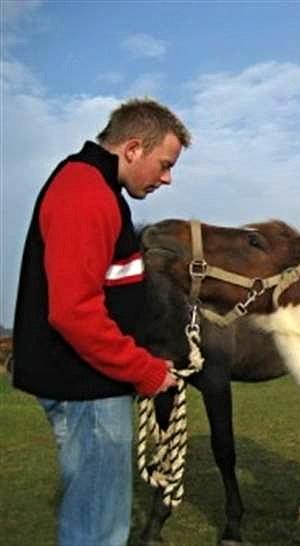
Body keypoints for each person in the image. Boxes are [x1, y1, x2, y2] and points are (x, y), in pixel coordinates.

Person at [12, 98, 191, 545]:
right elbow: (74, 312)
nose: (167, 178)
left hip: (93, 384)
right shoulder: (85, 192)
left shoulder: (95, 189)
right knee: (98, 530)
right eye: (165, 164)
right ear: (132, 148)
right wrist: (145, 371)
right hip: (86, 389)